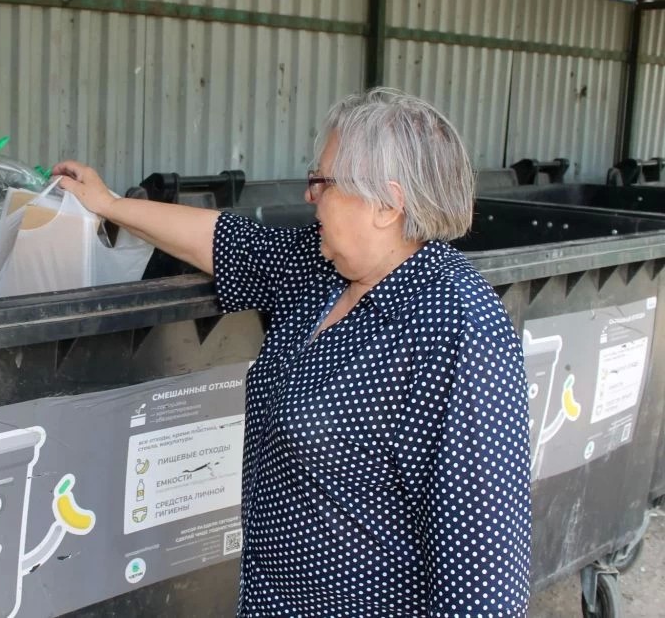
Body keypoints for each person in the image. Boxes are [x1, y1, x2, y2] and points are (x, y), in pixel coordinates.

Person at [53, 87, 531, 617]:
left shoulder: (458, 329)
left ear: (387, 204)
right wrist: (110, 205)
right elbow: (229, 243)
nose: (310, 195)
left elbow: (485, 579)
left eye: (321, 181)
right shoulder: (324, 268)